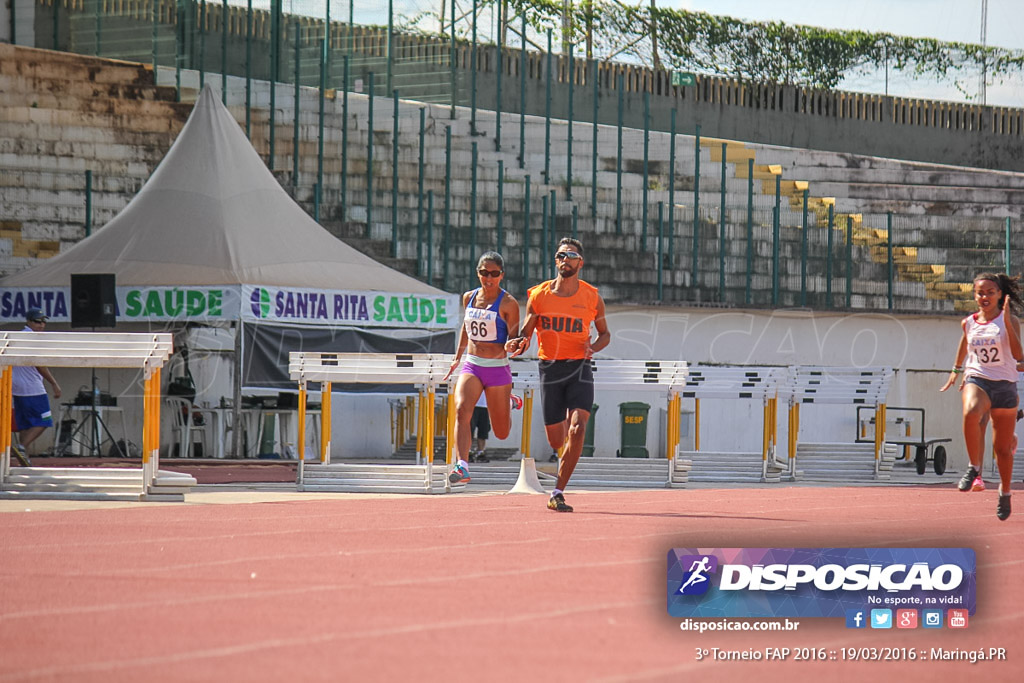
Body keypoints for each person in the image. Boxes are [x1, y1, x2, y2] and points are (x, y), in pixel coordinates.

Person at [507, 238, 610, 512]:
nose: (566, 259)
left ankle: (557, 491)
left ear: (580, 263)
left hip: (579, 367)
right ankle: (563, 463)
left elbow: (605, 334)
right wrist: (516, 344)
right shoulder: (539, 295)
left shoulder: (592, 297)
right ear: (556, 261)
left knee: (577, 429)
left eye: (572, 255)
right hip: (550, 369)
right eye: (561, 255)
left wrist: (593, 347)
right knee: (557, 441)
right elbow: (526, 334)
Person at [940, 272, 1023, 521]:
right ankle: (973, 467)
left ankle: (1005, 492)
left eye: (990, 292)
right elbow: (965, 343)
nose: (984, 297)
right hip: (978, 378)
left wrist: (1007, 321)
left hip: (1006, 385)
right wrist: (956, 369)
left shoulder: (1011, 320)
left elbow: (1020, 355)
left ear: (1000, 295)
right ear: (974, 295)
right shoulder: (969, 322)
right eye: (980, 292)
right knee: (971, 411)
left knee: (1003, 450)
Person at [444, 252, 521, 485]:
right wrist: (457, 358)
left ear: (501, 276)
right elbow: (466, 329)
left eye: (494, 274)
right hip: (473, 364)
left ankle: (509, 402)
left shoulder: (508, 303)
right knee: (461, 410)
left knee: (501, 432)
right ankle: (463, 466)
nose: (489, 278)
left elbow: (516, 340)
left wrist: (511, 345)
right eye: (484, 273)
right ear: (478, 273)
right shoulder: (468, 297)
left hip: (497, 368)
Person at [12, 308, 62, 465]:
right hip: (33, 388)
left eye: (43, 321)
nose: (41, 325)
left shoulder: (18, 336)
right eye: (37, 321)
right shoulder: (32, 338)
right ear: (28, 321)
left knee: (25, 425)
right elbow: (40, 365)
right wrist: (54, 383)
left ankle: (24, 457)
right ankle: (22, 447)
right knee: (44, 421)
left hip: (17, 389)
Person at [469, 393, 491, 462]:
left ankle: (480, 452)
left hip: (485, 406)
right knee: (470, 430)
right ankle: (468, 451)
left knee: (484, 430)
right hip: (472, 405)